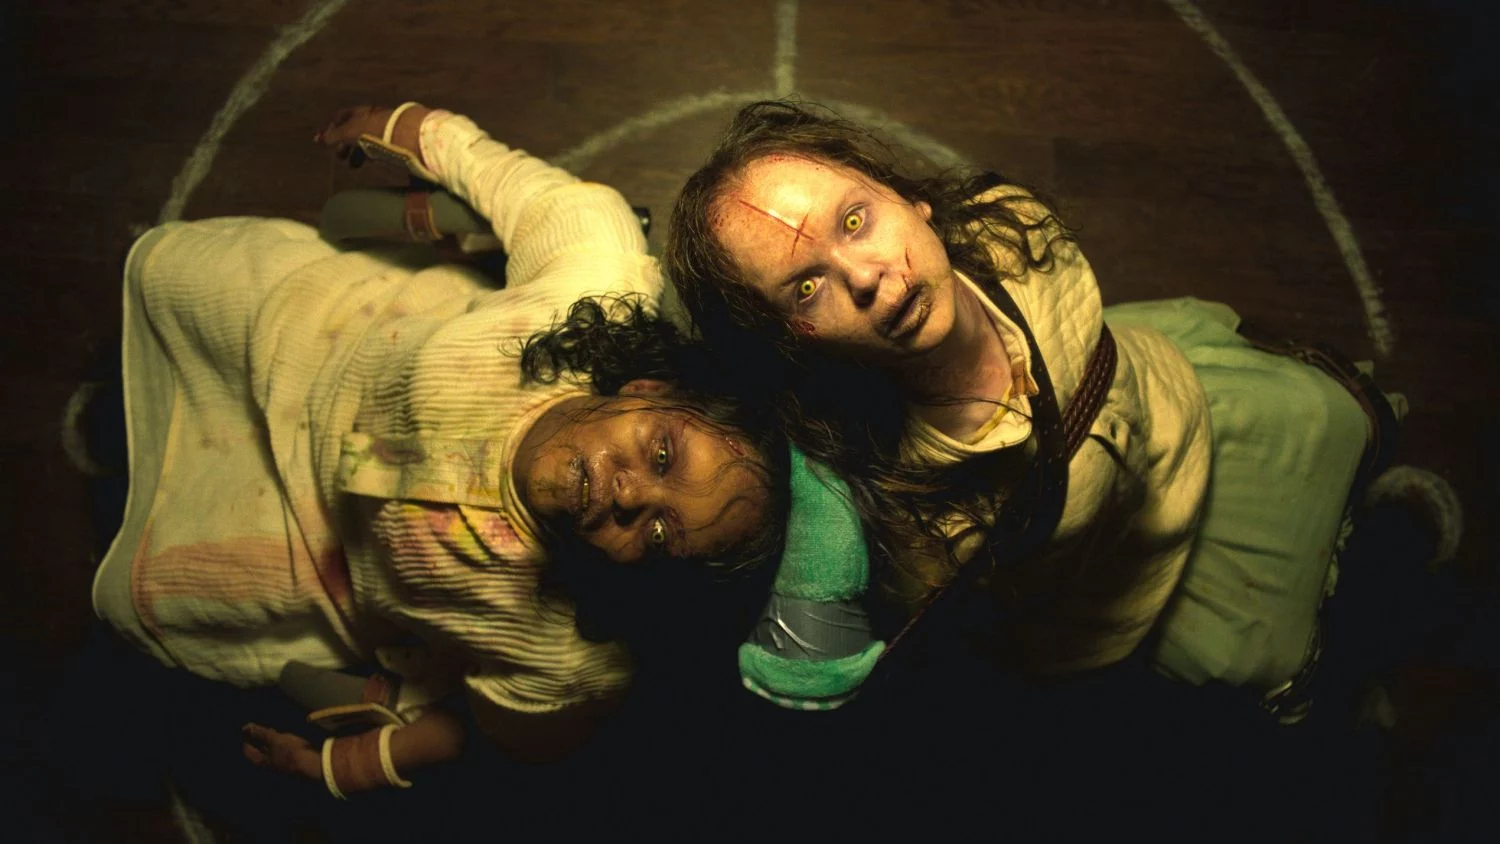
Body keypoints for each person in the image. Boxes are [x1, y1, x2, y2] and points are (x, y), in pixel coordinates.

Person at [90, 102, 789, 803]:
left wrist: (352, 764)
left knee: (138, 599)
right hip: (315, 342)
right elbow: (549, 200)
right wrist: (406, 127)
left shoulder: (568, 654)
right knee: (180, 277)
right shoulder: (588, 290)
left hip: (311, 549)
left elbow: (488, 730)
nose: (633, 496)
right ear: (649, 388)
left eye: (660, 534)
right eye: (663, 455)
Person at [664, 99, 1414, 713]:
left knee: (1322, 426)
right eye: (806, 286)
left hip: (1183, 405)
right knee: (1280, 648)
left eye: (855, 220)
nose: (864, 275)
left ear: (909, 198)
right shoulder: (916, 511)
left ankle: (1381, 526)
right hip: (1139, 584)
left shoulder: (1008, 225)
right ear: (796, 341)